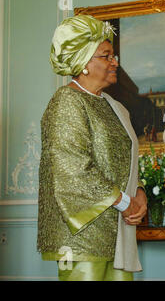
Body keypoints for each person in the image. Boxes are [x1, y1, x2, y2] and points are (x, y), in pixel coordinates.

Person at [37, 15, 147, 281]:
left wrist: (140, 194)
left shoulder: (115, 106)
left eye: (113, 56)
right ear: (84, 62)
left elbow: (127, 162)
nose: (115, 62)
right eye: (106, 56)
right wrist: (125, 203)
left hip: (118, 233)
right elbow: (71, 168)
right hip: (82, 239)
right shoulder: (67, 101)